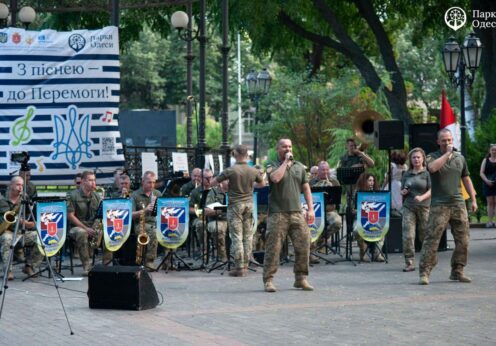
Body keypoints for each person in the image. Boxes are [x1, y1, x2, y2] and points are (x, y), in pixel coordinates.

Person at [419, 129, 477, 285]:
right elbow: (432, 168)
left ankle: (457, 271)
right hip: (440, 204)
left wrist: (473, 199)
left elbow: (466, 179)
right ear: (438, 142)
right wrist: (447, 154)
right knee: (432, 239)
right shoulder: (432, 156)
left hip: (458, 203)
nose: (447, 143)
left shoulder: (460, 158)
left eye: (449, 140)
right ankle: (424, 272)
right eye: (444, 140)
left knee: (463, 239)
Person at [263, 138, 315, 292]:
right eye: (284, 146)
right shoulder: (271, 165)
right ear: (278, 148)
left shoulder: (299, 167)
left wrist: (311, 209)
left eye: (290, 146)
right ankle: (268, 280)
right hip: (277, 213)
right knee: (274, 248)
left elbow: (306, 189)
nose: (288, 149)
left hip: (297, 213)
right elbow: (275, 178)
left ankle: (301, 278)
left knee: (304, 244)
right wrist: (285, 163)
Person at [214, 145, 264, 276]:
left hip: (235, 205)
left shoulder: (231, 170)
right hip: (249, 204)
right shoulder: (253, 170)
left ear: (235, 154)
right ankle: (246, 266)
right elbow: (262, 184)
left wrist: (225, 186)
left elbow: (213, 183)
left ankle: (239, 268)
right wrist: (250, 186)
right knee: (248, 236)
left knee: (236, 236)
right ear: (247, 154)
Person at [0, 176, 43, 280]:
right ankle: (8, 271)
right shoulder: (2, 200)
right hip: (7, 231)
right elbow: (8, 218)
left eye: (22, 185)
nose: (20, 187)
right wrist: (25, 222)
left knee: (41, 239)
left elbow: (32, 213)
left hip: (22, 232)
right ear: (11, 186)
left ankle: (30, 266)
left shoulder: (25, 198)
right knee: (7, 239)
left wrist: (33, 222)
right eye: (18, 185)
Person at [400, 148, 431, 272]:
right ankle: (409, 262)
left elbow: (431, 190)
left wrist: (422, 197)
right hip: (409, 207)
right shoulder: (406, 174)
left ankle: (426, 261)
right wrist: (403, 192)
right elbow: (402, 190)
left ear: (423, 159)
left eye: (418, 157)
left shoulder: (427, 174)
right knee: (408, 235)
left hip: (424, 207)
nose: (416, 159)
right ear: (410, 160)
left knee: (424, 235)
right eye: (414, 157)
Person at [67, 171, 102, 276]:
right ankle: (87, 266)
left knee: (110, 230)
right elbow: (70, 216)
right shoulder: (72, 195)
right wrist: (86, 228)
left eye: (94, 180)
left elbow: (99, 215)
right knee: (82, 233)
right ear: (82, 181)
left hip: (92, 226)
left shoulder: (96, 196)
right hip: (76, 227)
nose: (93, 183)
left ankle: (106, 263)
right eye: (90, 180)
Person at [309, 161, 342, 264]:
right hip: (315, 211)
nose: (325, 172)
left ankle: (321, 240)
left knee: (337, 222)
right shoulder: (311, 182)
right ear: (318, 171)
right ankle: (311, 252)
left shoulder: (334, 182)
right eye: (323, 170)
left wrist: (331, 186)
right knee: (312, 226)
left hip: (329, 210)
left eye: (327, 170)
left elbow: (337, 199)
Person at [131, 171, 162, 269]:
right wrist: (145, 210)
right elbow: (130, 215)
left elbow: (163, 212)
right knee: (153, 231)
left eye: (154, 182)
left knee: (171, 229)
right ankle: (149, 261)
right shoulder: (135, 195)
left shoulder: (157, 193)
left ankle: (168, 260)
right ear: (143, 182)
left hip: (156, 222)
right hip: (141, 224)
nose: (152, 185)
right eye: (149, 182)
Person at [353, 172, 384, 262]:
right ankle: (363, 251)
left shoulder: (377, 193)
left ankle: (377, 254)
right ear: (364, 181)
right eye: (369, 180)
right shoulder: (357, 193)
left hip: (374, 218)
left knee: (383, 228)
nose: (372, 183)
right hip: (360, 219)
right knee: (356, 230)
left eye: (373, 181)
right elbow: (353, 210)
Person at [189, 168, 214, 257]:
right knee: (200, 224)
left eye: (211, 177)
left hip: (214, 216)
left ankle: (220, 252)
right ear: (201, 179)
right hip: (199, 217)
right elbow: (190, 208)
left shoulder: (216, 190)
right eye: (207, 178)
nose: (209, 180)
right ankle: (204, 250)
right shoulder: (195, 192)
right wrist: (200, 212)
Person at [204, 179, 229, 263]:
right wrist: (221, 210)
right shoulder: (213, 192)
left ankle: (243, 258)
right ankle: (223, 256)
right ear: (221, 181)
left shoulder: (236, 192)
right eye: (227, 180)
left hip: (233, 220)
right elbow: (207, 211)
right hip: (217, 219)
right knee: (218, 229)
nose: (229, 182)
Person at [479, 144, 496, 228]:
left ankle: (495, 221)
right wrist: (487, 181)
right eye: (493, 150)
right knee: (490, 203)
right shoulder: (485, 160)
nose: (494, 151)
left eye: (495, 150)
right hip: (487, 184)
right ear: (490, 151)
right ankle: (490, 221)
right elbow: (481, 173)